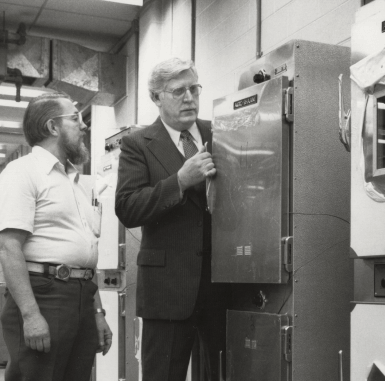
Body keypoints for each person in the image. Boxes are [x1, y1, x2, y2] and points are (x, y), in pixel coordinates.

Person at [115, 57, 229, 381]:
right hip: (167, 292)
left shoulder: (221, 133)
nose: (190, 97)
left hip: (220, 286)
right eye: (179, 91)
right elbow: (127, 207)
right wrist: (179, 180)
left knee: (224, 373)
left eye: (194, 88)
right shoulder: (137, 144)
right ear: (156, 97)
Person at [0, 92, 112, 381]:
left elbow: (85, 254)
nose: (83, 126)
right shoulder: (23, 172)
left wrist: (97, 312)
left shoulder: (72, 182)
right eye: (75, 118)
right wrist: (31, 315)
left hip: (81, 295)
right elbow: (9, 247)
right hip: (45, 294)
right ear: (52, 127)